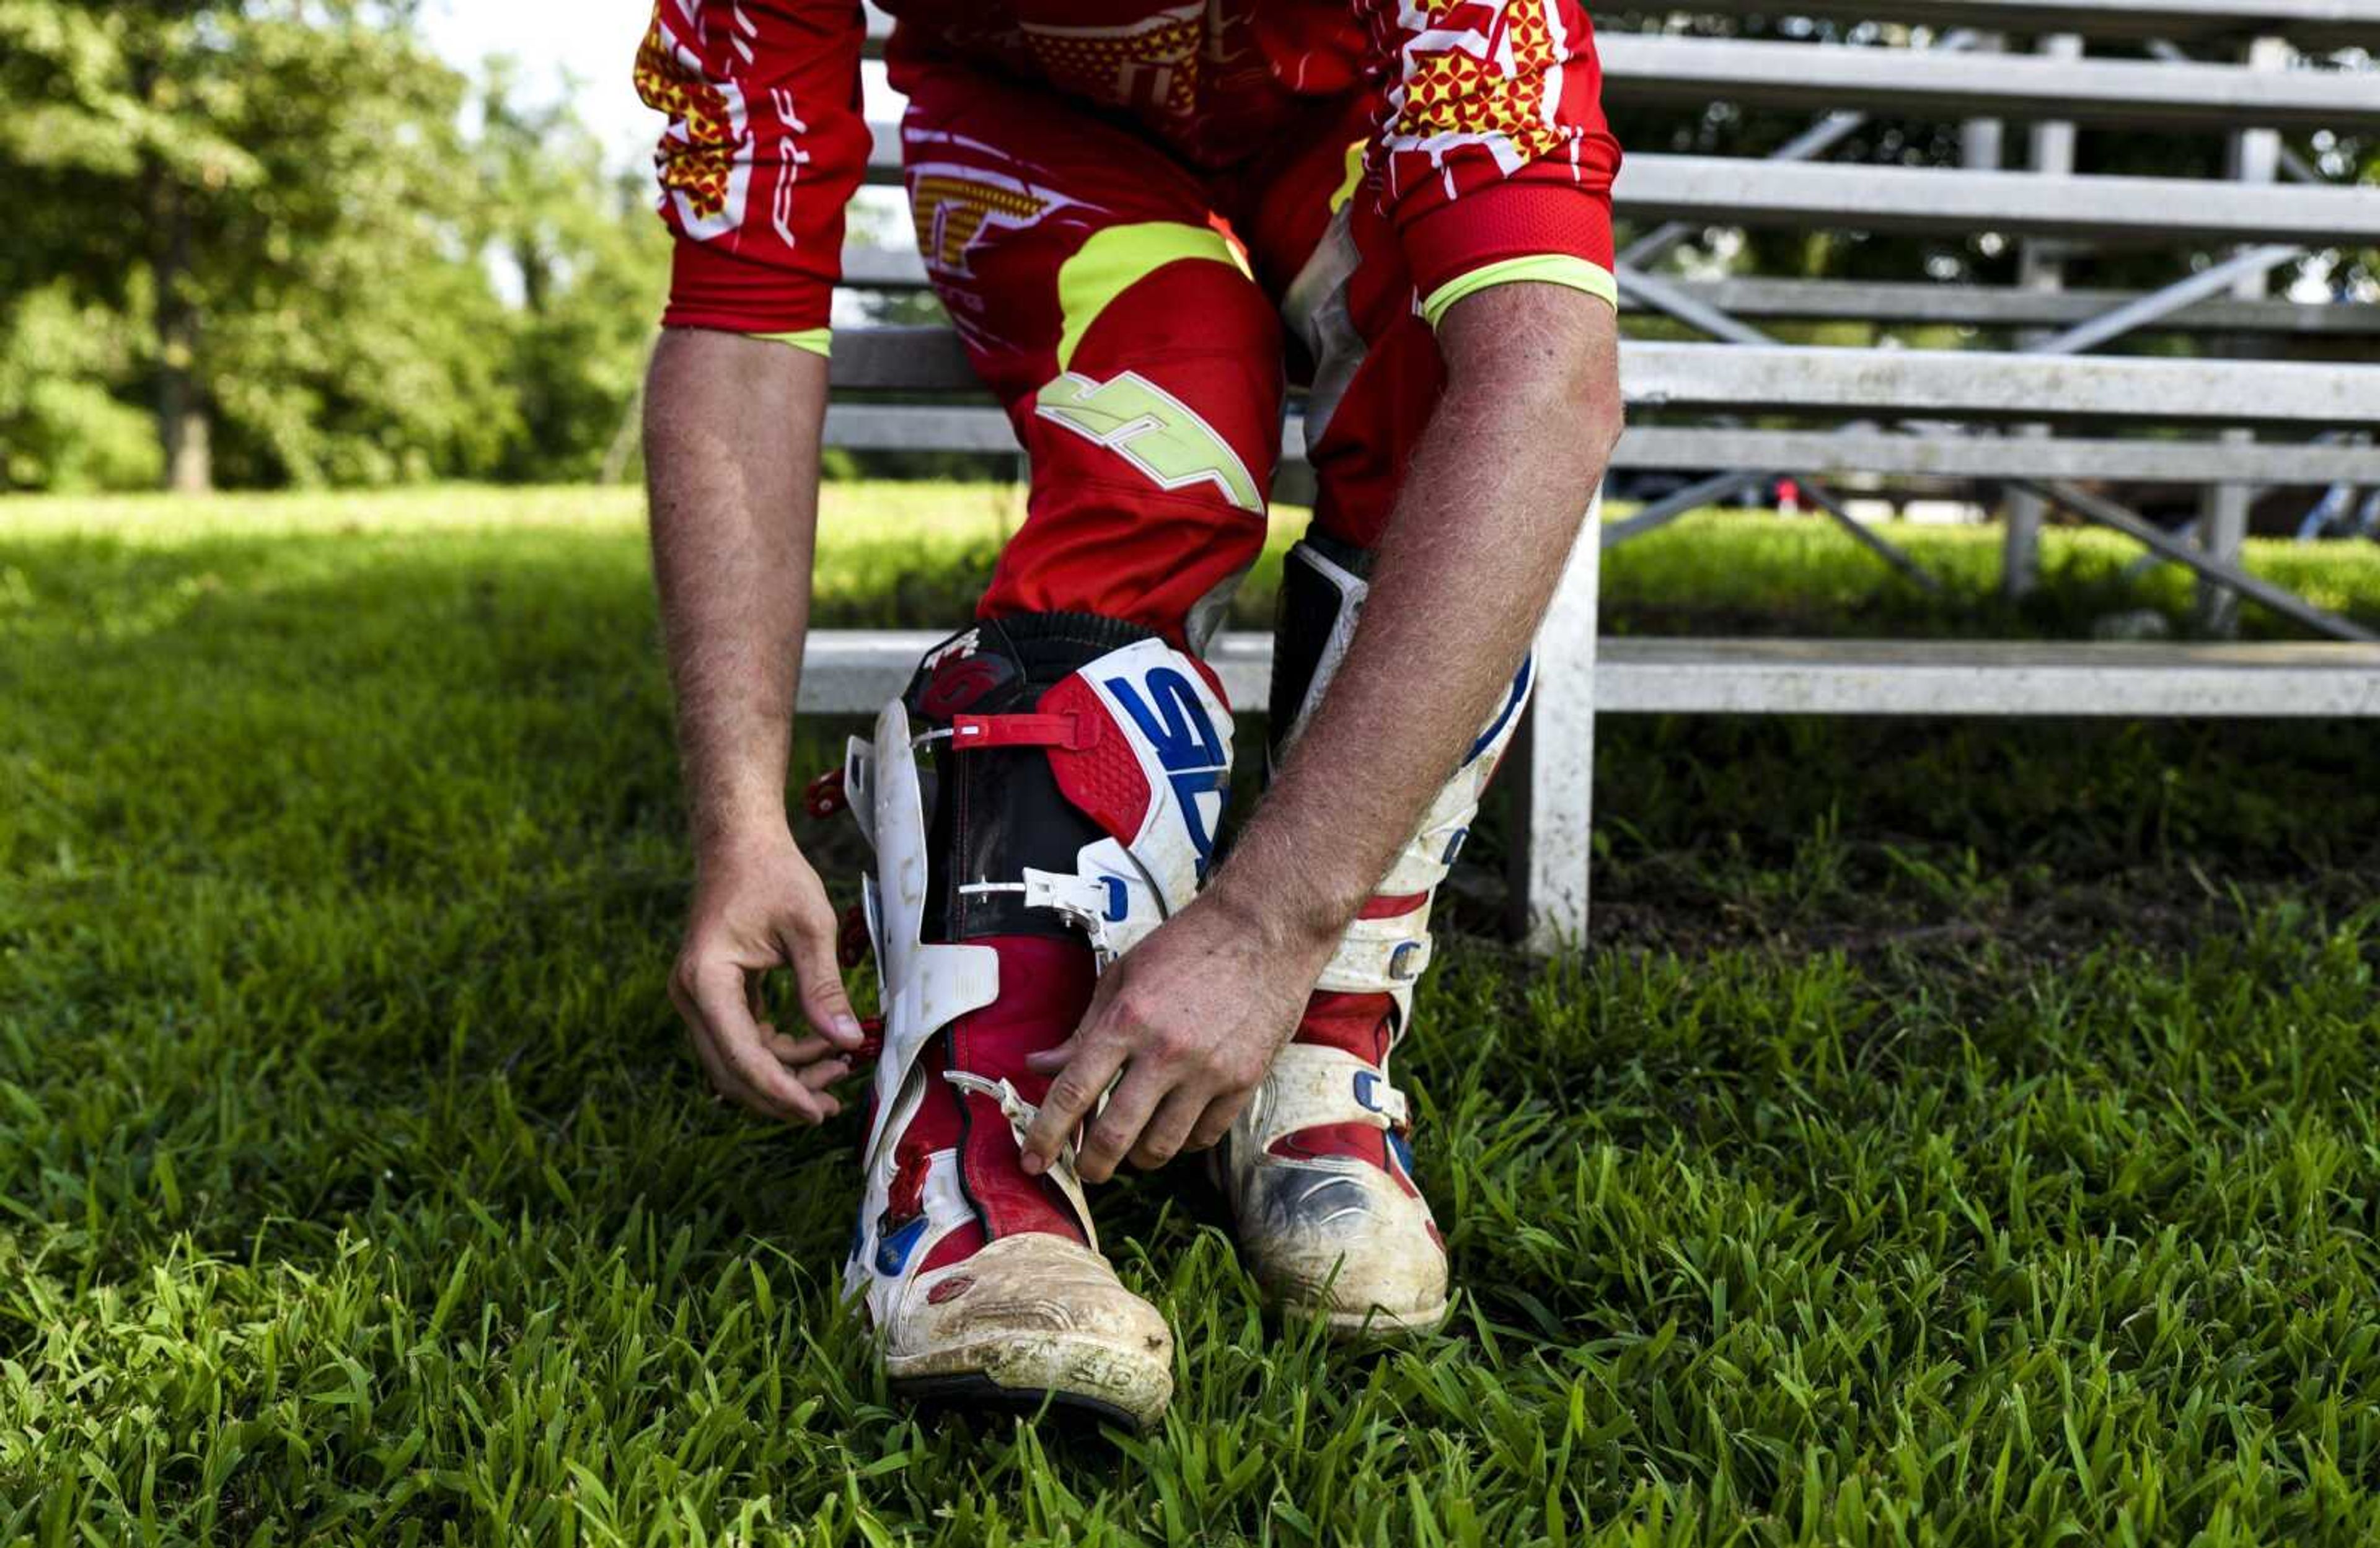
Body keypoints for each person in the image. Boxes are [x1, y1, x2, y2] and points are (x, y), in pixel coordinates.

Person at [635, 0, 1624, 1430]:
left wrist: (1271, 921)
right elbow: (741, 316)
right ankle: (978, 1124)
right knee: (1168, 404)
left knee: (1441, 346)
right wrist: (737, 815)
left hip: (1350, 108)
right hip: (1042, 117)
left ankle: (1321, 1036)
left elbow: (1545, 379)